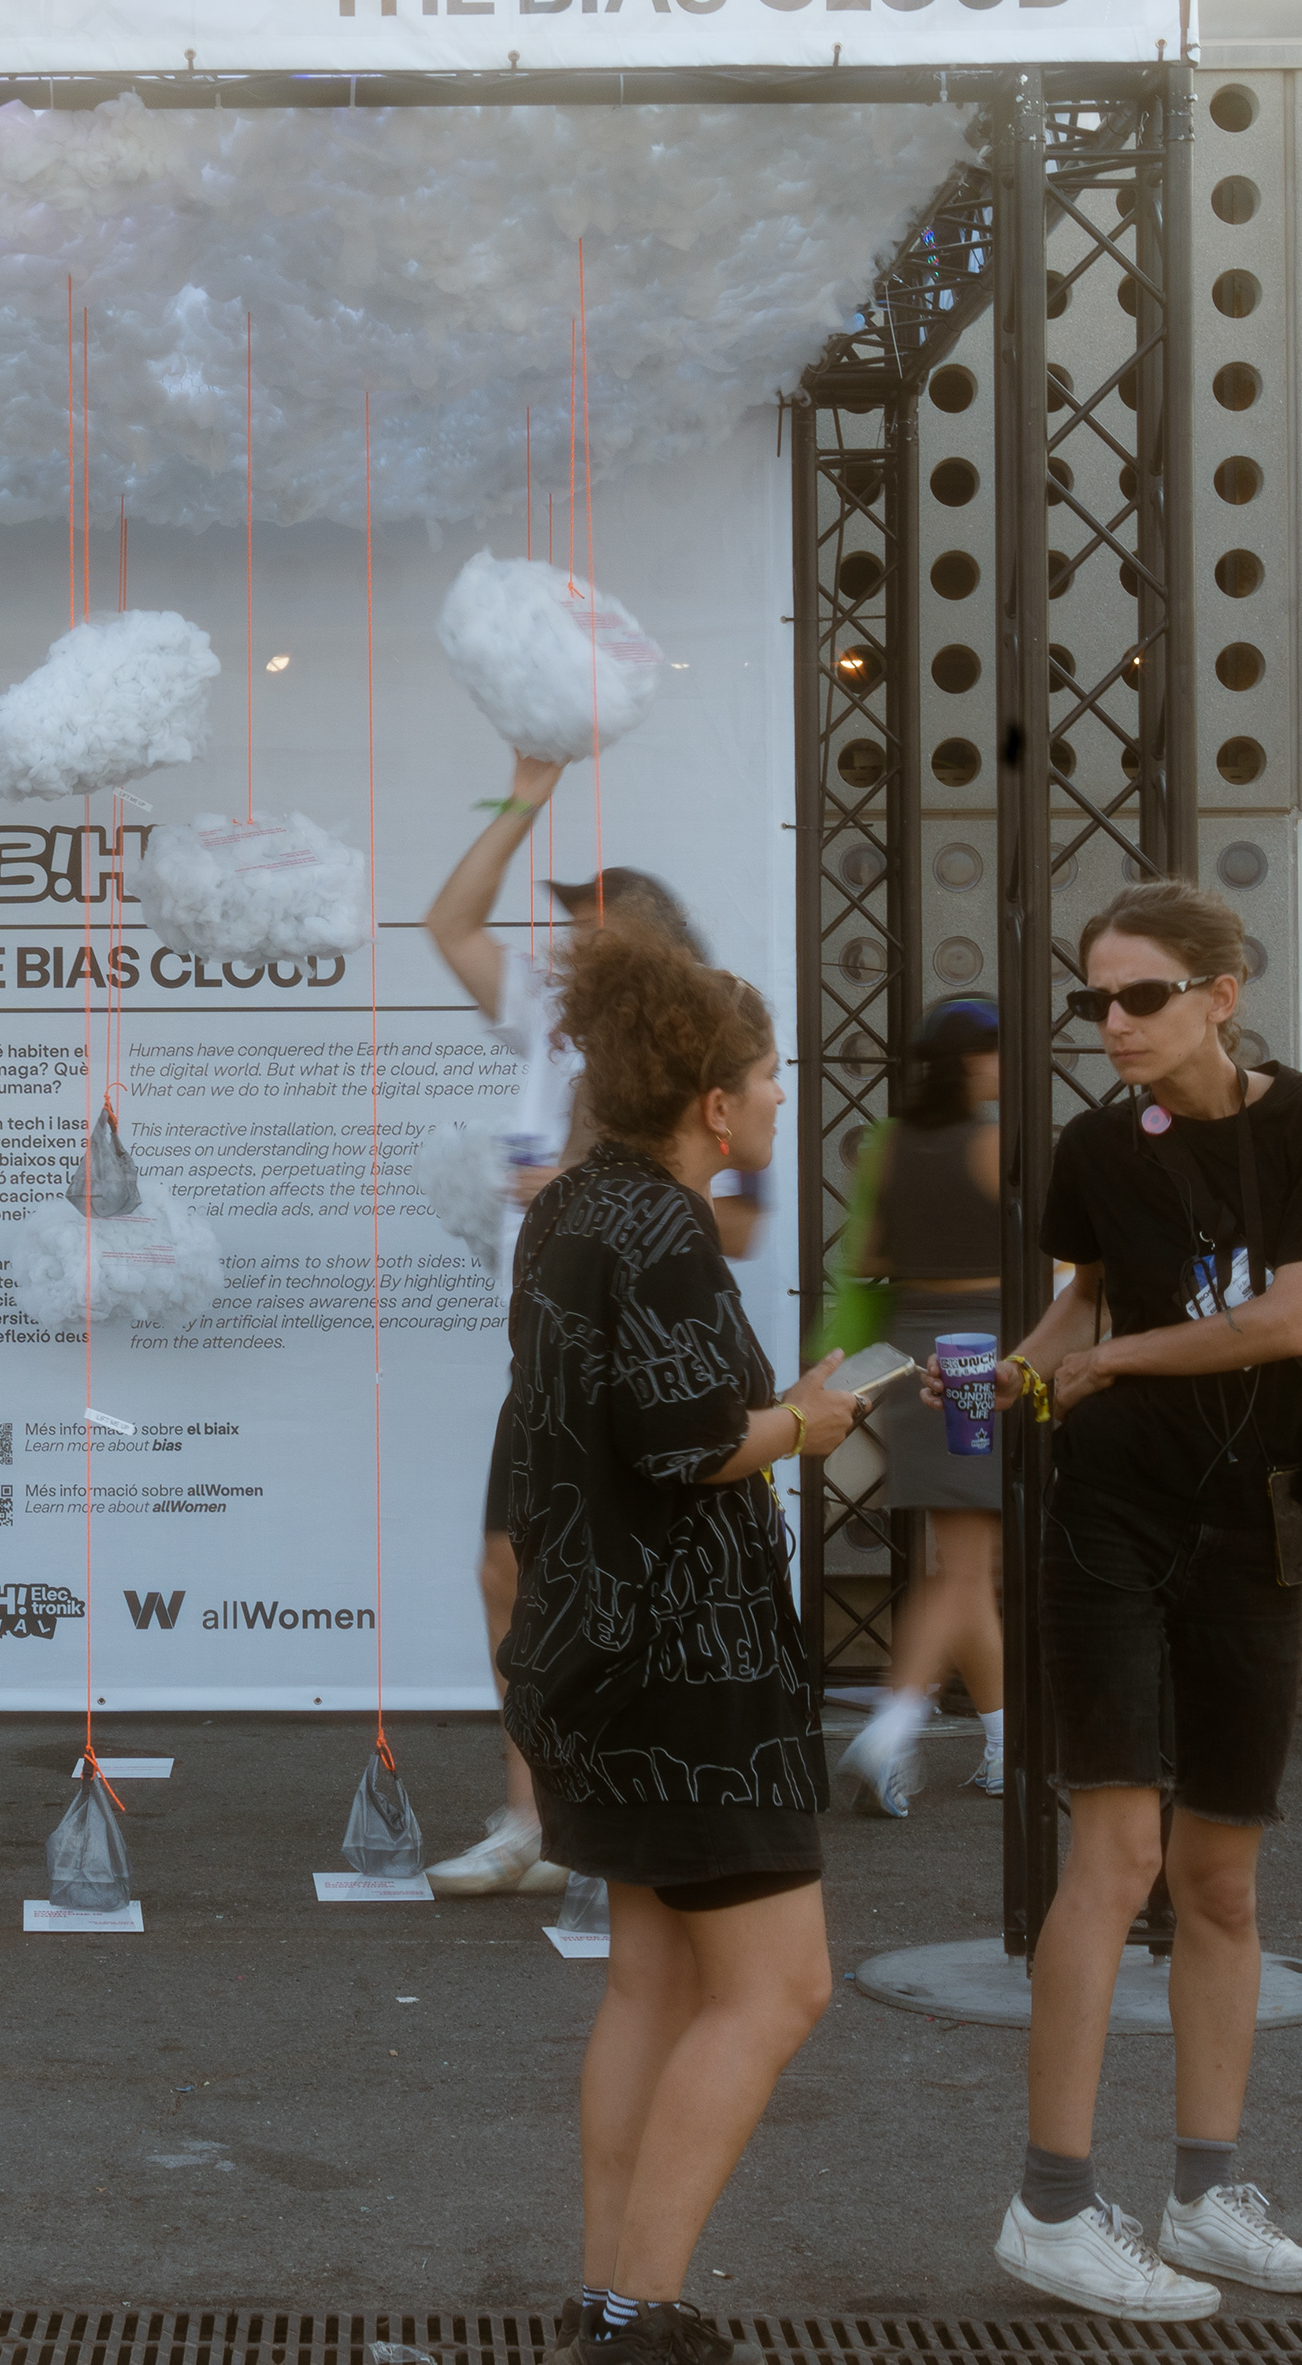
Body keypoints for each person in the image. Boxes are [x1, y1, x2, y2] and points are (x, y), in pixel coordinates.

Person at [968, 880, 1302, 2319]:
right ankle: (1051, 2209)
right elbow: (1088, 1296)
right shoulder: (1096, 1147)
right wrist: (1029, 1361)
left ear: (1222, 994)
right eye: (1093, 999)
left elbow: (1292, 1318)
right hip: (1108, 1520)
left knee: (1221, 1878)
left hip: (1253, 1523)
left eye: (1140, 995)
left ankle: (1206, 2199)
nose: (1112, 1023)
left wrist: (1112, 1362)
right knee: (1117, 1857)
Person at [494, 932, 853, 2365]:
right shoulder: (664, 1227)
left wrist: (775, 1416)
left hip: (591, 1654)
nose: (779, 1098)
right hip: (692, 1670)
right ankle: (644, 2313)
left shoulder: (572, 1208)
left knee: (652, 1979)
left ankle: (604, 2300)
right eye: (768, 1078)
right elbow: (690, 1442)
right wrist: (809, 1422)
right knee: (778, 1988)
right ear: (714, 1102)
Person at [418, 752, 744, 1899]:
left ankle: (628, 1817)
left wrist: (584, 1180)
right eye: (565, 931)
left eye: (589, 932)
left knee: (632, 1587)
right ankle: (537, 1820)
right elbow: (450, 923)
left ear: (649, 947)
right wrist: (527, 793)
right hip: (549, 1346)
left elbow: (742, 1219)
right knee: (506, 1570)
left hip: (646, 1351)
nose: (563, 948)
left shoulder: (710, 1045)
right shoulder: (553, 1030)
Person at [834, 997, 1009, 1816]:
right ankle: (892, 1727)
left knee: (966, 1564)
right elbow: (1046, 1244)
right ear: (971, 1061)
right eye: (998, 1052)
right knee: (967, 1568)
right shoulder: (993, 1143)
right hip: (980, 1352)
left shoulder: (887, 1143)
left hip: (911, 1350)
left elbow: (867, 1253)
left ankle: (1005, 1742)